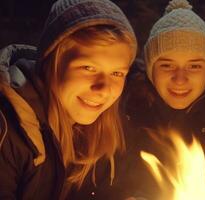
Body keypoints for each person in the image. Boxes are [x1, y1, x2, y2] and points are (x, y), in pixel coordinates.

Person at [0, 0, 137, 199]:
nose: (103, 89)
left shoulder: (104, 130)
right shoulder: (8, 130)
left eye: (116, 73)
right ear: (51, 62)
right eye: (88, 68)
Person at [119, 0, 205, 199]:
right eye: (167, 65)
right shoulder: (124, 116)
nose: (180, 79)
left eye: (194, 66)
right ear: (150, 72)